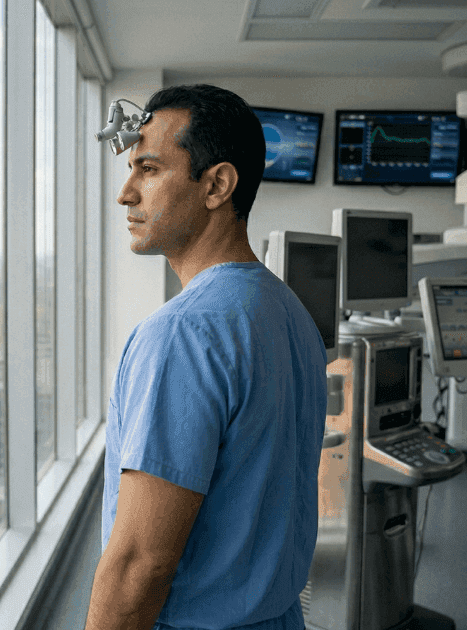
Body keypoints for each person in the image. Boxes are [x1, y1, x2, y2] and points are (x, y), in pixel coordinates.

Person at [84, 84, 327, 630]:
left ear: (217, 184)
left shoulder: (181, 335)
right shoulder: (289, 313)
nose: (126, 193)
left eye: (148, 169)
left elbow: (140, 565)